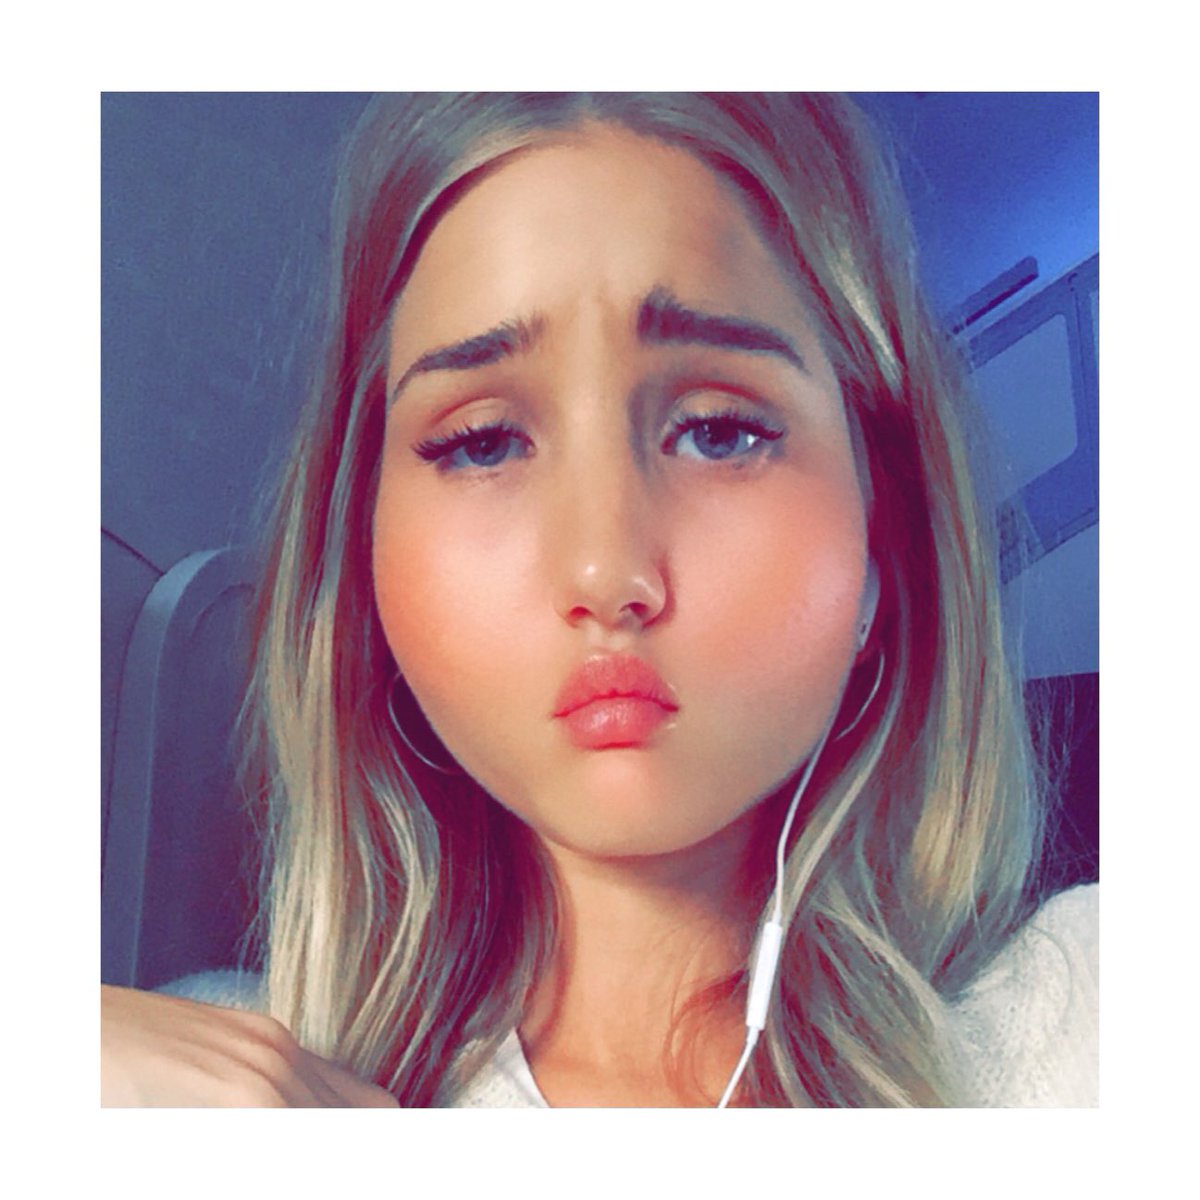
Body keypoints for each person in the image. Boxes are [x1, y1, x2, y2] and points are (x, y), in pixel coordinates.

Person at [100, 92, 1098, 1108]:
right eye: (483, 443)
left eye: (719, 431)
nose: (605, 572)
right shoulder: (215, 1090)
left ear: (884, 539)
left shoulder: (1090, 1014)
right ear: (364, 561)